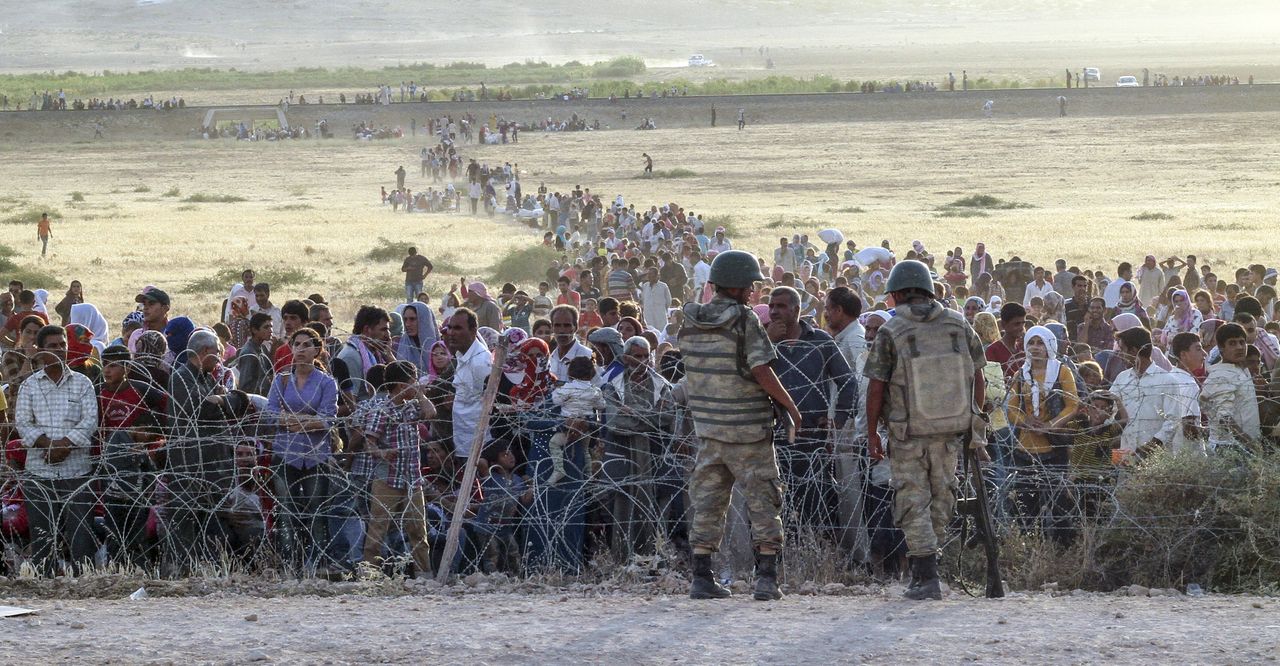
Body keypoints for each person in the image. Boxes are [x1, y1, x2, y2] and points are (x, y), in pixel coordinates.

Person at [679, 250, 801, 602]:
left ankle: (701, 577)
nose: (752, 291)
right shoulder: (744, 319)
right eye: (750, 285)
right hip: (748, 430)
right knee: (763, 501)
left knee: (708, 503)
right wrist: (789, 405)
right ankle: (766, 580)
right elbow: (761, 369)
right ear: (738, 286)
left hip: (709, 429)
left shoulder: (690, 319)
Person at [863, 260, 987, 600]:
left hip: (908, 434)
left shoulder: (892, 330)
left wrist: (873, 432)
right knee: (941, 498)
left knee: (911, 501)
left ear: (900, 293)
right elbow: (979, 375)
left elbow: (876, 386)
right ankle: (926, 569)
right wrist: (972, 417)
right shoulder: (958, 323)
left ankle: (926, 573)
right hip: (950, 431)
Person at [766, 286, 855, 536]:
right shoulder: (763, 341)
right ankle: (780, 557)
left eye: (781, 306)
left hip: (813, 437)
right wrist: (767, 342)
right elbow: (747, 377)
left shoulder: (820, 341)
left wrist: (837, 420)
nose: (774, 311)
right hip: (775, 437)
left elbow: (848, 382)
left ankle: (819, 552)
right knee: (775, 503)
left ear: (796, 310)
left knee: (816, 502)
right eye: (771, 306)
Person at [14, 324, 98, 575]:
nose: (60, 351)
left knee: (81, 535)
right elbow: (23, 422)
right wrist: (47, 445)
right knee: (43, 535)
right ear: (40, 351)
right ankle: (45, 583)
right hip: (40, 471)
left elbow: (90, 420)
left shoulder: (82, 383)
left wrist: (65, 445)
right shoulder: (30, 386)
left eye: (63, 345)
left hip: (77, 470)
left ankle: (83, 584)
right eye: (53, 346)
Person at [265, 328, 339, 572]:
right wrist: (306, 420)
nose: (300, 349)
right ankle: (290, 565)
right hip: (285, 454)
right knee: (287, 512)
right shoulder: (282, 379)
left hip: (316, 455)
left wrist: (292, 420)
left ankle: (318, 565)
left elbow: (328, 418)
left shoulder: (327, 383)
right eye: (296, 344)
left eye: (307, 345)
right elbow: (270, 413)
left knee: (316, 510)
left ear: (317, 350)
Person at [361, 360, 437, 577]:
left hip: (412, 477)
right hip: (388, 478)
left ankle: (424, 575)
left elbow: (430, 413)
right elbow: (370, 442)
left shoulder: (412, 407)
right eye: (413, 381)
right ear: (401, 386)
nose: (417, 385)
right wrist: (382, 453)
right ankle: (369, 575)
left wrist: (420, 394)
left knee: (417, 529)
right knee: (378, 528)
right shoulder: (383, 411)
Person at [1201, 322, 1261, 451]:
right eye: (1232, 343)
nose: (1239, 347)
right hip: (1228, 448)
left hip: (1242, 445)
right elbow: (1224, 419)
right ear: (1221, 348)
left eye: (1242, 342)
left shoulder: (1240, 369)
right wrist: (1250, 444)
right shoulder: (1221, 375)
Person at [445, 308, 493, 461]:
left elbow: (490, 404)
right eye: (450, 327)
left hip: (479, 447)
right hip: (463, 443)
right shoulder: (461, 356)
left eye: (458, 328)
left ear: (473, 330)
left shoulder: (480, 362)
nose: (451, 333)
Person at [548, 356, 604, 485]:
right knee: (585, 451)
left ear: (570, 372)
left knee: (554, 443)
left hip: (568, 426)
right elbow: (601, 405)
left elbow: (556, 400)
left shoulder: (567, 388)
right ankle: (589, 476)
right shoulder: (595, 390)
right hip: (585, 427)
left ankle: (559, 469)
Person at [638, 266, 671, 331]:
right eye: (648, 274)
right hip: (648, 314)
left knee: (661, 331)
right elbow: (643, 299)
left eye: (651, 274)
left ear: (656, 275)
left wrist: (662, 308)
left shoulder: (663, 286)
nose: (649, 276)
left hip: (660, 314)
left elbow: (668, 301)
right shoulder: (645, 286)